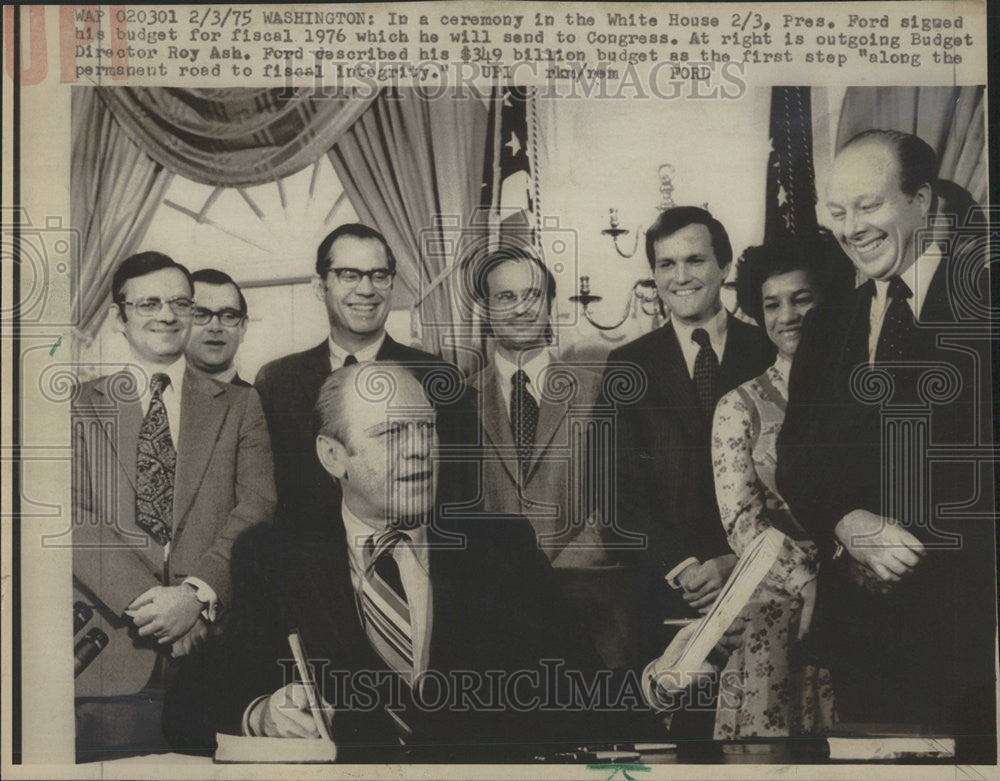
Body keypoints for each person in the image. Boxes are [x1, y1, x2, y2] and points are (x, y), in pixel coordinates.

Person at [164, 362, 744, 761]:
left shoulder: (501, 549)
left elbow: (578, 693)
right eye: (393, 434)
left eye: (425, 429)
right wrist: (262, 714)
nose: (419, 449)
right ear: (332, 454)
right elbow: (192, 701)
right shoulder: (274, 557)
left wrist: (657, 684)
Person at [776, 130, 996, 754]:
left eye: (868, 206)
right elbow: (798, 458)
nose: (851, 229)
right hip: (866, 638)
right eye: (837, 212)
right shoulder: (826, 325)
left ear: (922, 200)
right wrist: (848, 523)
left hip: (974, 629)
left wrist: (912, 552)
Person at [72, 252, 275, 760]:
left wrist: (194, 596)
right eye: (149, 303)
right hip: (107, 652)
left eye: (180, 303)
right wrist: (156, 606)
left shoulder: (240, 404)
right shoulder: (77, 405)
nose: (167, 314)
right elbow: (70, 516)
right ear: (119, 317)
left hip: (212, 649)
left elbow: (257, 506)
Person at [604, 207, 775, 666]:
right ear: (654, 275)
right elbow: (615, 497)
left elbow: (797, 483)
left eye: (695, 260)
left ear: (725, 266)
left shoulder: (769, 350)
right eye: (666, 264)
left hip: (767, 592)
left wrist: (734, 560)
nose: (681, 277)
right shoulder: (627, 366)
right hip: (666, 601)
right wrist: (684, 568)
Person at [710, 235, 854, 739]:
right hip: (777, 607)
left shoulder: (861, 385)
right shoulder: (739, 405)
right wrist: (805, 580)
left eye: (802, 298)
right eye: (772, 304)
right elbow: (742, 521)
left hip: (860, 592)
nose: (787, 315)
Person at [468, 246, 632, 667]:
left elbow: (618, 503)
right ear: (484, 309)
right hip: (489, 625)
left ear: (550, 305)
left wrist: (549, 582)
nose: (521, 308)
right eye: (505, 297)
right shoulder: (455, 403)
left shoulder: (599, 391)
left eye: (533, 295)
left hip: (592, 619)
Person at [254, 223, 473, 526]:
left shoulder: (437, 377)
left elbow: (458, 495)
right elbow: (266, 496)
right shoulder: (276, 381)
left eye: (379, 275)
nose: (367, 289)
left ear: (392, 284)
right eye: (350, 275)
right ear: (320, 286)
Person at [186, 268, 251, 386]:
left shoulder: (260, 402)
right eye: (200, 315)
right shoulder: (155, 396)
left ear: (243, 328)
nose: (215, 327)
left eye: (229, 316)